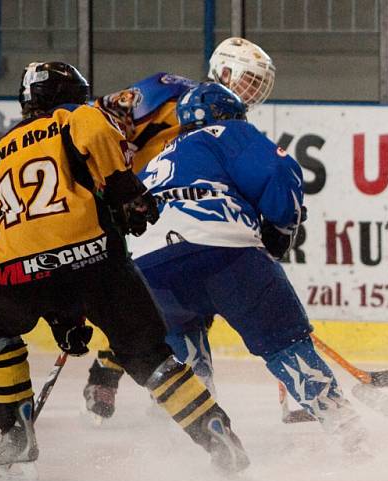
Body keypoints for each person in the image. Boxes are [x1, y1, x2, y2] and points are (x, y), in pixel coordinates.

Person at [0, 61, 249, 475]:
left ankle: (14, 431)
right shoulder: (76, 116)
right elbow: (98, 138)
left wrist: (62, 316)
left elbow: (23, 231)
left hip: (18, 270)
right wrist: (127, 192)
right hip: (95, 259)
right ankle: (216, 433)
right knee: (150, 356)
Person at [125, 82, 366, 450]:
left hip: (148, 267)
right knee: (285, 344)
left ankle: (201, 435)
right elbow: (278, 169)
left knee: (183, 355)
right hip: (222, 252)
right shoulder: (229, 132)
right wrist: (281, 229)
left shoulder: (157, 160)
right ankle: (347, 431)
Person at [83, 37, 276, 419]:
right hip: (125, 206)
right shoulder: (167, 90)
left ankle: (149, 383)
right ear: (222, 71)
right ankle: (104, 375)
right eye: (248, 80)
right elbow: (94, 120)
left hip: (174, 222)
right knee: (130, 296)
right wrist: (107, 178)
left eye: (259, 85)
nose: (253, 91)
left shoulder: (235, 126)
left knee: (166, 304)